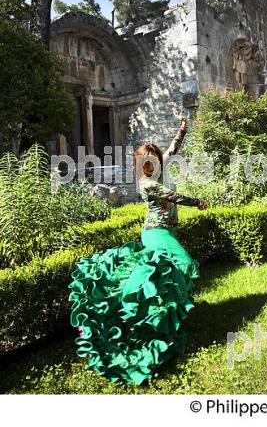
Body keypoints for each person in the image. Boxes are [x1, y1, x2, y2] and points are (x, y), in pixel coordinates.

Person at [69, 118, 208, 385]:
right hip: (155, 234)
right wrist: (198, 202)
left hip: (165, 232)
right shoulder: (148, 184)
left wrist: (183, 128)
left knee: (165, 277)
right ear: (141, 165)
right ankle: (134, 315)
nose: (151, 164)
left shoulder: (159, 168)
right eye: (146, 162)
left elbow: (173, 150)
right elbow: (174, 197)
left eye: (153, 159)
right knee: (186, 265)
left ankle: (159, 319)